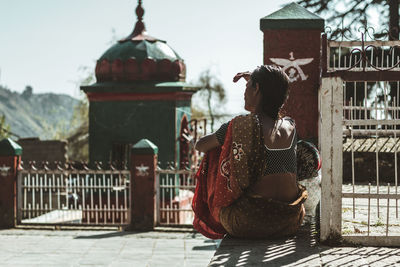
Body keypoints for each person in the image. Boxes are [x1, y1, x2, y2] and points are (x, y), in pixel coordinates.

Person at [192, 65, 308, 239]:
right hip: (290, 220)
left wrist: (226, 138)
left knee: (215, 151)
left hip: (248, 222)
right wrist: (256, 82)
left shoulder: (239, 126)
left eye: (247, 88)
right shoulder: (290, 126)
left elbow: (200, 146)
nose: (244, 93)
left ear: (257, 89)